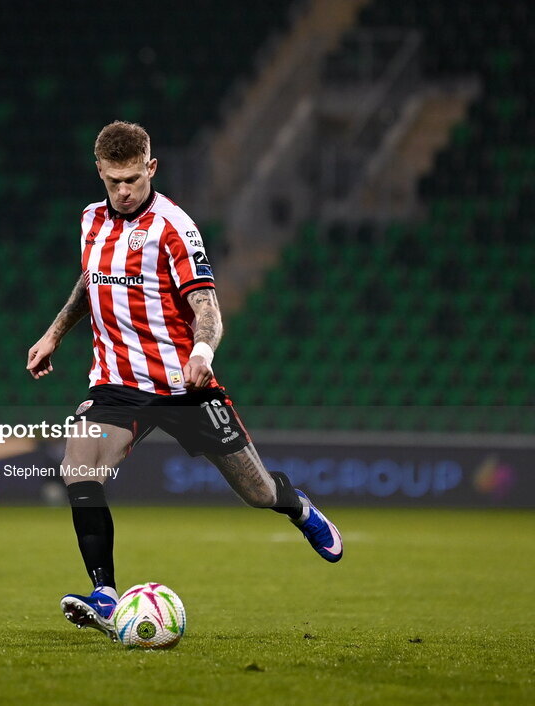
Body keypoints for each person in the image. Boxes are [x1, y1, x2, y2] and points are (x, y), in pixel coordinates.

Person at [26, 121, 342, 641]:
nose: (123, 191)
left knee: (257, 492)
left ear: (151, 168)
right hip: (116, 384)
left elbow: (208, 308)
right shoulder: (89, 221)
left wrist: (201, 353)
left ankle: (297, 506)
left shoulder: (175, 228)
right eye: (112, 182)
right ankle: (105, 594)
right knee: (78, 468)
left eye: (132, 179)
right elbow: (91, 281)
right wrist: (54, 333)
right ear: (99, 174)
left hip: (183, 385)